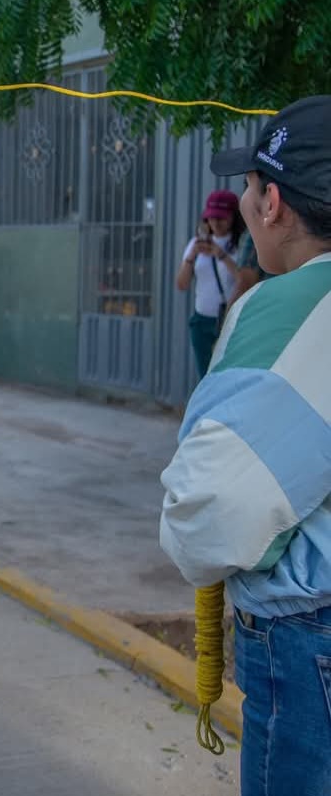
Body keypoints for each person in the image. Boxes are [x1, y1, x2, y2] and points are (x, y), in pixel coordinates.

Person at [159, 95, 331, 796]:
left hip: (308, 645)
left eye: (252, 187)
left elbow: (213, 509)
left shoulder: (286, 305)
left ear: (274, 204)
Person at [175, 189, 244, 377]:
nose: (216, 223)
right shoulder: (195, 243)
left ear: (233, 217)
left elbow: (244, 279)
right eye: (211, 217)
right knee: (205, 376)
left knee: (227, 375)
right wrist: (191, 256)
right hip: (202, 321)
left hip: (229, 321)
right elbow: (181, 284)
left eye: (221, 218)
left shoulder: (240, 245)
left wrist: (221, 255)